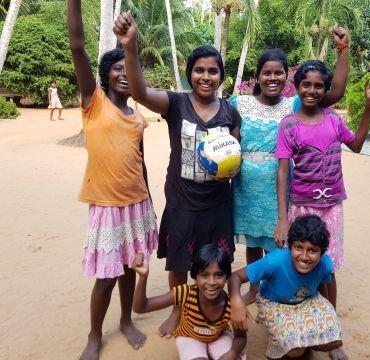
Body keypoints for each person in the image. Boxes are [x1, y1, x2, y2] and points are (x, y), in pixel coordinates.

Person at [113, 12, 241, 337]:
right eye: (199, 70)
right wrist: (131, 46)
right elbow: (140, 93)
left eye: (213, 70)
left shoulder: (230, 111)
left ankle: (213, 308)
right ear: (189, 74)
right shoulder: (175, 104)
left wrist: (230, 169)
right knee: (180, 263)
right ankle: (178, 310)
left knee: (217, 261)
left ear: (221, 75)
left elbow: (236, 156)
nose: (206, 76)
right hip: (183, 201)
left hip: (217, 203)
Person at [230, 28, 350, 304]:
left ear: (286, 77)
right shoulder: (239, 103)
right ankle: (254, 289)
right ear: (257, 76)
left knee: (279, 242)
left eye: (278, 73)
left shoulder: (295, 103)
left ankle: (278, 288)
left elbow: (336, 92)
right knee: (253, 240)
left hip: (281, 187)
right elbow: (226, 137)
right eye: (267, 73)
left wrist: (343, 52)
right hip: (246, 186)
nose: (272, 78)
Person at [67, 1, 159, 359]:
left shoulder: (137, 117)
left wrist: (149, 202)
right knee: (106, 275)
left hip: (137, 204)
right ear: (105, 76)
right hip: (106, 206)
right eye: (116, 68)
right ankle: (94, 335)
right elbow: (77, 45)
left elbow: (140, 162)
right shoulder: (94, 101)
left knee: (130, 269)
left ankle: (125, 320)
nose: (123, 73)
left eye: (128, 68)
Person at [275, 60, 370, 308]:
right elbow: (282, 171)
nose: (312, 90)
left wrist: (368, 109)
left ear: (325, 89)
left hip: (331, 205)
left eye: (319, 86)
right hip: (302, 206)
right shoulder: (289, 124)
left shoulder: (333, 119)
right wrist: (282, 219)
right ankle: (305, 313)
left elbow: (356, 145)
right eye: (306, 84)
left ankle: (329, 319)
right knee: (302, 262)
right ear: (296, 87)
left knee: (327, 265)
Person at [229, 215, 347, 360]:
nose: (304, 256)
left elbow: (324, 283)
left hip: (305, 300)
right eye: (298, 247)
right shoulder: (275, 261)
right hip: (275, 303)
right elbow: (235, 277)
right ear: (290, 246)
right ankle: (278, 345)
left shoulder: (325, 265)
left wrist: (327, 313)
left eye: (312, 250)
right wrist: (236, 302)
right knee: (295, 350)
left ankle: (307, 341)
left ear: (321, 253)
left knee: (331, 335)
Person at [132, 244, 247, 360]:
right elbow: (141, 307)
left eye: (218, 275)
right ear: (194, 276)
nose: (211, 282)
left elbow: (241, 337)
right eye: (204, 275)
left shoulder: (231, 305)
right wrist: (143, 277)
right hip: (189, 336)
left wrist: (232, 352)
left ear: (226, 277)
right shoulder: (184, 293)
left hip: (219, 336)